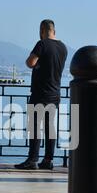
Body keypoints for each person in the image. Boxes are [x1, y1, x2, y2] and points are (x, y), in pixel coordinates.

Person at [15, 20, 68, 170]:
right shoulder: (63, 47)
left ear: (42, 30)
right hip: (55, 92)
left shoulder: (42, 44)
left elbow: (30, 62)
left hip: (40, 92)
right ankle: (48, 160)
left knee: (35, 127)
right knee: (49, 126)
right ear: (54, 30)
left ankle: (32, 160)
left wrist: (37, 64)